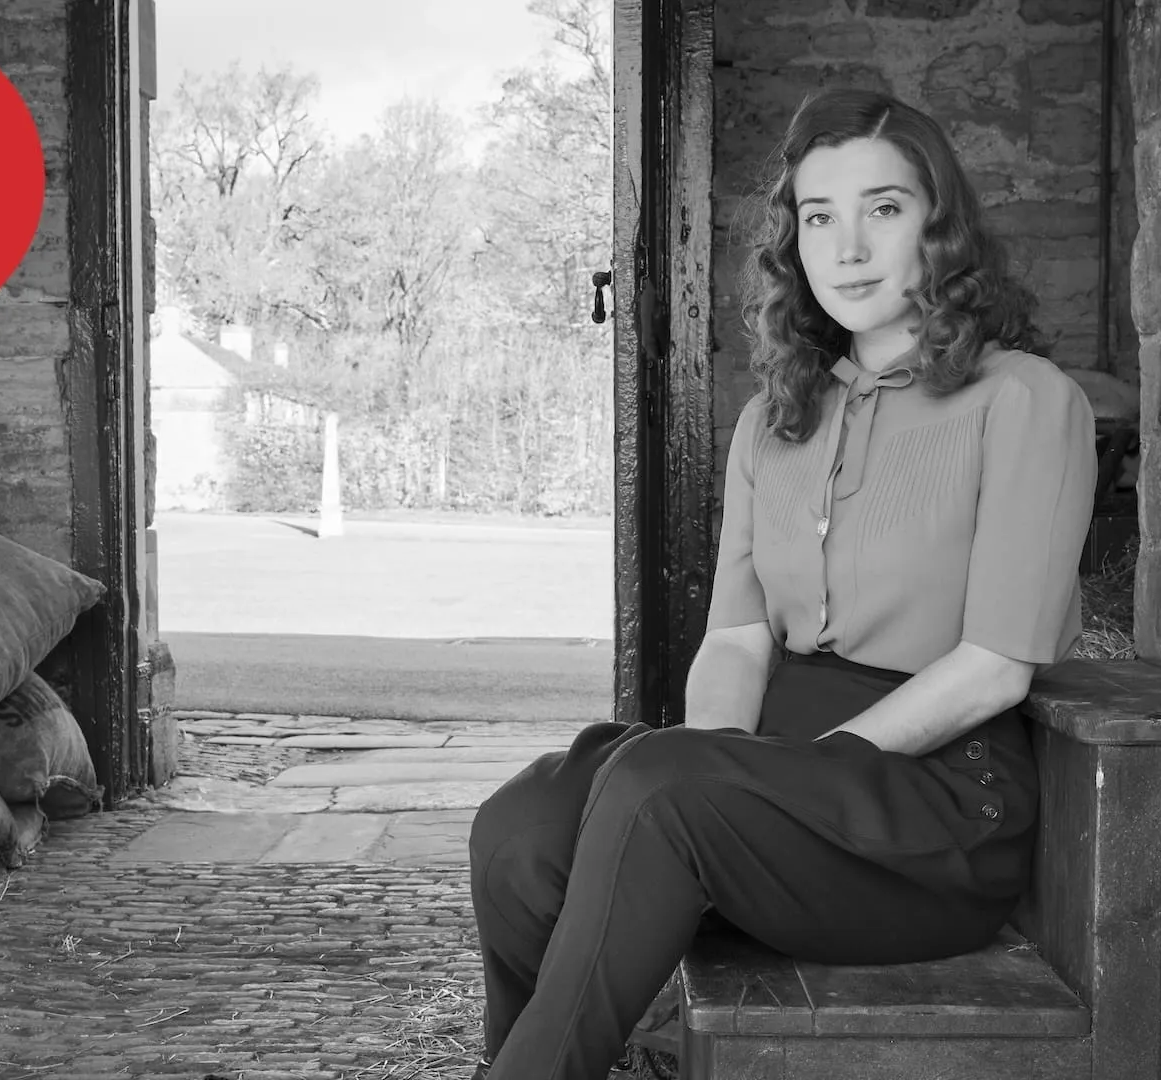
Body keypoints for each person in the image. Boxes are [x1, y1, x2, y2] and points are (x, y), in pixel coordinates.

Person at [466, 87, 1096, 1080]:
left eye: (883, 209)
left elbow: (994, 668)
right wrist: (729, 768)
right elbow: (737, 640)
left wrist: (789, 773)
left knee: (659, 787)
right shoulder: (773, 420)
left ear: (939, 226)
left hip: (932, 801)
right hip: (779, 763)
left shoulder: (1024, 400)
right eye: (818, 217)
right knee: (522, 823)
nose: (847, 247)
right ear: (792, 243)